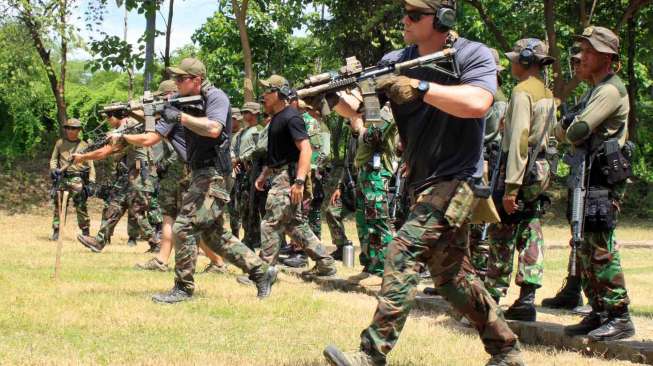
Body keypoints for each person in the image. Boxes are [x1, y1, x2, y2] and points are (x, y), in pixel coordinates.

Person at [322, 1, 522, 365]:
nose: (405, 21)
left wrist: (420, 86)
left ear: (443, 19)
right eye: (405, 14)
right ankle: (506, 349)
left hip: (458, 178)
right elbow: (359, 111)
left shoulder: (470, 54)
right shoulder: (394, 59)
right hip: (422, 182)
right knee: (452, 280)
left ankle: (372, 353)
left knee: (402, 249)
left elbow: (479, 103)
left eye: (415, 16)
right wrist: (336, 92)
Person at [113, 58, 275, 302]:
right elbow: (150, 137)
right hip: (199, 173)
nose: (176, 83)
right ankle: (262, 272)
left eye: (181, 79)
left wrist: (179, 117)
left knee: (183, 227)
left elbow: (213, 129)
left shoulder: (215, 97)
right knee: (215, 237)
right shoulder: (178, 104)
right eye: (175, 79)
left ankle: (183, 288)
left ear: (197, 80)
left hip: (215, 175)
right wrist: (126, 133)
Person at [559, 26, 635, 341]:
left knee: (601, 249)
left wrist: (566, 129)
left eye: (588, 51)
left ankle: (620, 315)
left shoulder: (609, 90)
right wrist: (567, 127)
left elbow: (576, 131)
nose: (582, 56)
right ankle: (599, 310)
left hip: (602, 177)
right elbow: (568, 125)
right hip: (588, 175)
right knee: (585, 245)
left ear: (606, 56)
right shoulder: (594, 89)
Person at [484, 38, 556, 322]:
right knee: (530, 228)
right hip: (541, 169)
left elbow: (517, 141)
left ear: (526, 61)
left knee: (502, 231)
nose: (511, 63)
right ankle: (527, 298)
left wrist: (510, 187)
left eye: (515, 58)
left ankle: (492, 296)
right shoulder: (545, 91)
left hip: (520, 169)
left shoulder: (522, 91)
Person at [126, 80, 226, 274]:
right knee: (172, 217)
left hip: (183, 171)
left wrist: (123, 137)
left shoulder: (180, 114)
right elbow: (152, 127)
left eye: (163, 97)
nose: (162, 100)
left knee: (187, 221)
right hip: (183, 170)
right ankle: (164, 260)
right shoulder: (181, 113)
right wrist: (131, 112)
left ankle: (219, 262)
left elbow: (149, 136)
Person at [255, 74, 337, 278]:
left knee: (270, 224)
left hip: (288, 178)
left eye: (267, 91)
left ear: (279, 93)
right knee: (295, 225)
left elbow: (306, 150)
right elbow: (278, 153)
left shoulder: (291, 117)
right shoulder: (277, 119)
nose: (263, 95)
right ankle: (325, 263)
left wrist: (299, 181)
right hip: (279, 174)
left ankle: (265, 272)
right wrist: (265, 173)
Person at [74, 105, 160, 253]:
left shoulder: (128, 127)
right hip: (131, 174)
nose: (107, 122)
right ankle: (99, 241)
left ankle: (156, 242)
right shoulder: (125, 127)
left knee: (137, 210)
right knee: (115, 204)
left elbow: (107, 151)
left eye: (108, 118)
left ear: (114, 117)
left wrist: (83, 157)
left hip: (141, 175)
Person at [49, 118, 96, 241]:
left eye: (74, 128)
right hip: (62, 178)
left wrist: (91, 181)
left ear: (79, 130)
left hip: (78, 179)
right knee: (58, 205)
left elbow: (91, 165)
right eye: (68, 128)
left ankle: (85, 232)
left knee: (81, 206)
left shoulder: (84, 146)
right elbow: (54, 158)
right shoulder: (60, 143)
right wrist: (53, 169)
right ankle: (56, 230)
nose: (70, 131)